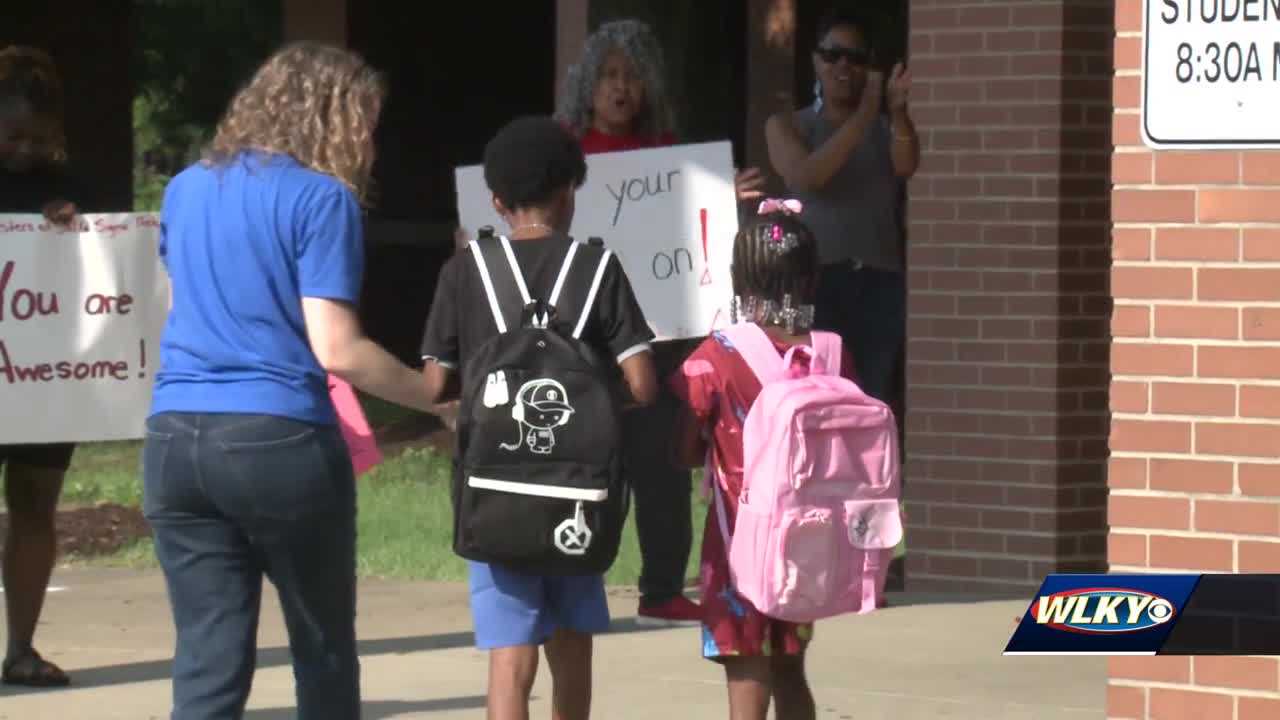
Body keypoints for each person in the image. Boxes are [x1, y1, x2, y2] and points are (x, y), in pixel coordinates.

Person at [143, 43, 440, 719]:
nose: (367, 138)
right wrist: (431, 395)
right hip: (277, 437)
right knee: (322, 646)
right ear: (332, 117)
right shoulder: (322, 199)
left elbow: (177, 305)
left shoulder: (185, 187)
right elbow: (337, 348)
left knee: (206, 659)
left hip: (173, 439)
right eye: (363, 119)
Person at [419, 116, 657, 720]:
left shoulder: (465, 270)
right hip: (579, 493)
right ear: (570, 190)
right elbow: (643, 384)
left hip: (494, 491)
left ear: (496, 201)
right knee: (572, 644)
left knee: (510, 652)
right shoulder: (598, 269)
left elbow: (435, 383)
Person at [554, 17, 764, 626]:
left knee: (664, 465)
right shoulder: (563, 154)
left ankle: (663, 586)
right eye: (609, 76)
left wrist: (723, 200)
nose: (621, 88)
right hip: (586, 339)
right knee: (594, 467)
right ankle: (577, 580)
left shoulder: (668, 155)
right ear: (588, 86)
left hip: (661, 336)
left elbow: (694, 234)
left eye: (632, 77)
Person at [669, 204, 854, 720]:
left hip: (738, 549)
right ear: (812, 278)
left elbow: (684, 451)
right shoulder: (831, 352)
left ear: (736, 278)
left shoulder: (716, 355)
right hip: (809, 546)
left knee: (747, 675)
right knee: (792, 671)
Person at [764, 8, 918, 408]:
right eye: (832, 54)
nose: (843, 64)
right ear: (815, 60)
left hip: (879, 281)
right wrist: (867, 113)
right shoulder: (788, 125)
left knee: (872, 398)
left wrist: (897, 114)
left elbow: (906, 165)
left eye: (855, 57)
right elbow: (806, 176)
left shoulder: (882, 128)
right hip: (816, 281)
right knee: (817, 394)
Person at [0, 45, 84, 688]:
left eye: (40, 136)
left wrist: (72, 225)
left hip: (41, 376)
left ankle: (21, 649)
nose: (26, 148)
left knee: (35, 504)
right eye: (15, 134)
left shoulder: (66, 183)